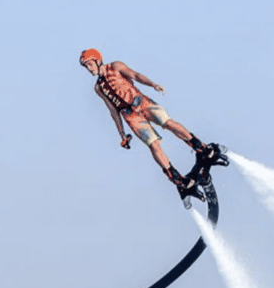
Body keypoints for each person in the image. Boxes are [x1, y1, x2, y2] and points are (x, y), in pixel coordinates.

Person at [79, 48, 227, 199]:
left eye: (89, 64)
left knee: (167, 122)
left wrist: (153, 85)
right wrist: (121, 134)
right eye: (86, 67)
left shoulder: (115, 66)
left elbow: (135, 75)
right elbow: (112, 110)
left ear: (97, 61)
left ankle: (200, 148)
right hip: (130, 116)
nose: (88, 69)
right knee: (153, 144)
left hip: (141, 102)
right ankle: (178, 180)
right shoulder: (98, 88)